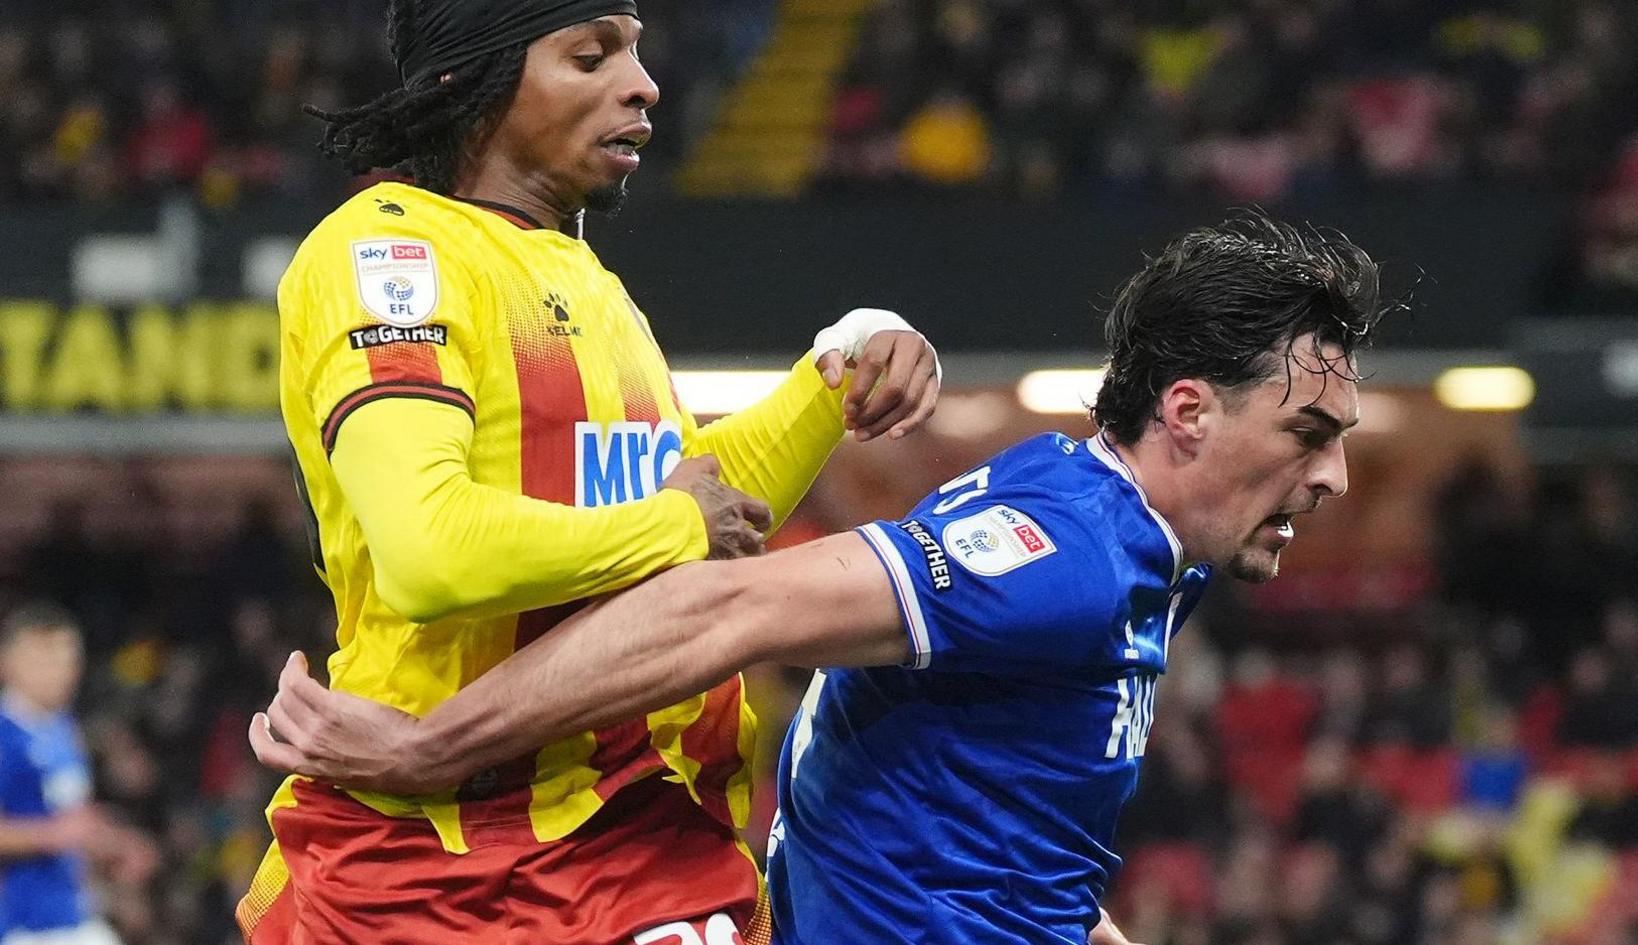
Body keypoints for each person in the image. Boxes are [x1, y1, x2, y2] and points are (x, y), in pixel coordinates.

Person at [251, 214, 1394, 943]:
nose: (1336, 474)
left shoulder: (1146, 546)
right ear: (1188, 411)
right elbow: (723, 604)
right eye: (1308, 433)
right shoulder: (1064, 560)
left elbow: (1017, 832)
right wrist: (429, 747)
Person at [236, 0, 941, 942]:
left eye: (636, 53)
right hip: (435, 867)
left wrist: (842, 360)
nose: (642, 84)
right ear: (473, 82)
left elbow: (700, 497)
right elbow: (428, 548)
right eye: (591, 56)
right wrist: (677, 524)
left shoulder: (589, 282)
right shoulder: (389, 252)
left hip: (645, 845)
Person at [0, 605, 142, 945]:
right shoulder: (5, 735)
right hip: (23, 925)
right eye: (46, 657)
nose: (61, 671)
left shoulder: (63, 730)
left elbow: (70, 820)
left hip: (72, 914)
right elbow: (59, 829)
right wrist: (53, 835)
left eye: (68, 658)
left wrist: (109, 843)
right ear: (8, 662)